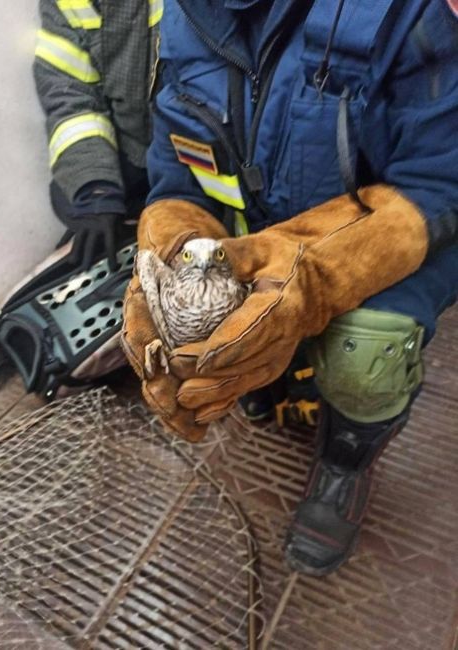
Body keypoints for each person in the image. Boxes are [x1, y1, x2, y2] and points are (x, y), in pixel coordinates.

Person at [122, 0, 458, 576]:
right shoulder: (181, 16)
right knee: (219, 327)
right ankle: (277, 374)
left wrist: (312, 276)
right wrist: (176, 249)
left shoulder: (412, 16)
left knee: (366, 353)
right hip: (260, 234)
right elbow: (179, 167)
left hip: (403, 234)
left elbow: (441, 182)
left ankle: (345, 459)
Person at [33, 0, 162, 268]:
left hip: (195, 153)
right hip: (134, 154)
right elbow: (71, 99)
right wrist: (97, 188)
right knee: (72, 193)